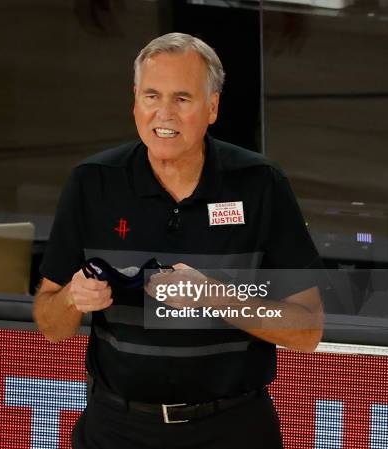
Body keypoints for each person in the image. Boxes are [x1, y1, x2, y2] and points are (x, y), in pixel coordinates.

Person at [34, 33, 324, 449]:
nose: (163, 114)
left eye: (182, 99)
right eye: (152, 96)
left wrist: (214, 297)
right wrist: (70, 299)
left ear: (213, 107)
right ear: (135, 99)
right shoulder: (92, 182)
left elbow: (307, 330)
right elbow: (51, 325)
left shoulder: (261, 185)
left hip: (233, 429)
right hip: (116, 429)